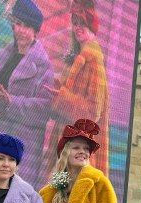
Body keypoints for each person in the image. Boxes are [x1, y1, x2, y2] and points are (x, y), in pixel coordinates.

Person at [0, 0, 53, 188]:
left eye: (27, 26)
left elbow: (44, 108)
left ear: (35, 31)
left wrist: (12, 102)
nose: (21, 30)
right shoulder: (1, 56)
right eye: (18, 24)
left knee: (17, 195)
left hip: (25, 146)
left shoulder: (43, 65)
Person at [43, 0, 109, 175]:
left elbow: (94, 111)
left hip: (80, 148)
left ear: (91, 25)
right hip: (66, 141)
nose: (77, 28)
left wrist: (63, 98)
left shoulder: (93, 59)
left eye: (82, 23)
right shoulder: (78, 56)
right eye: (75, 23)